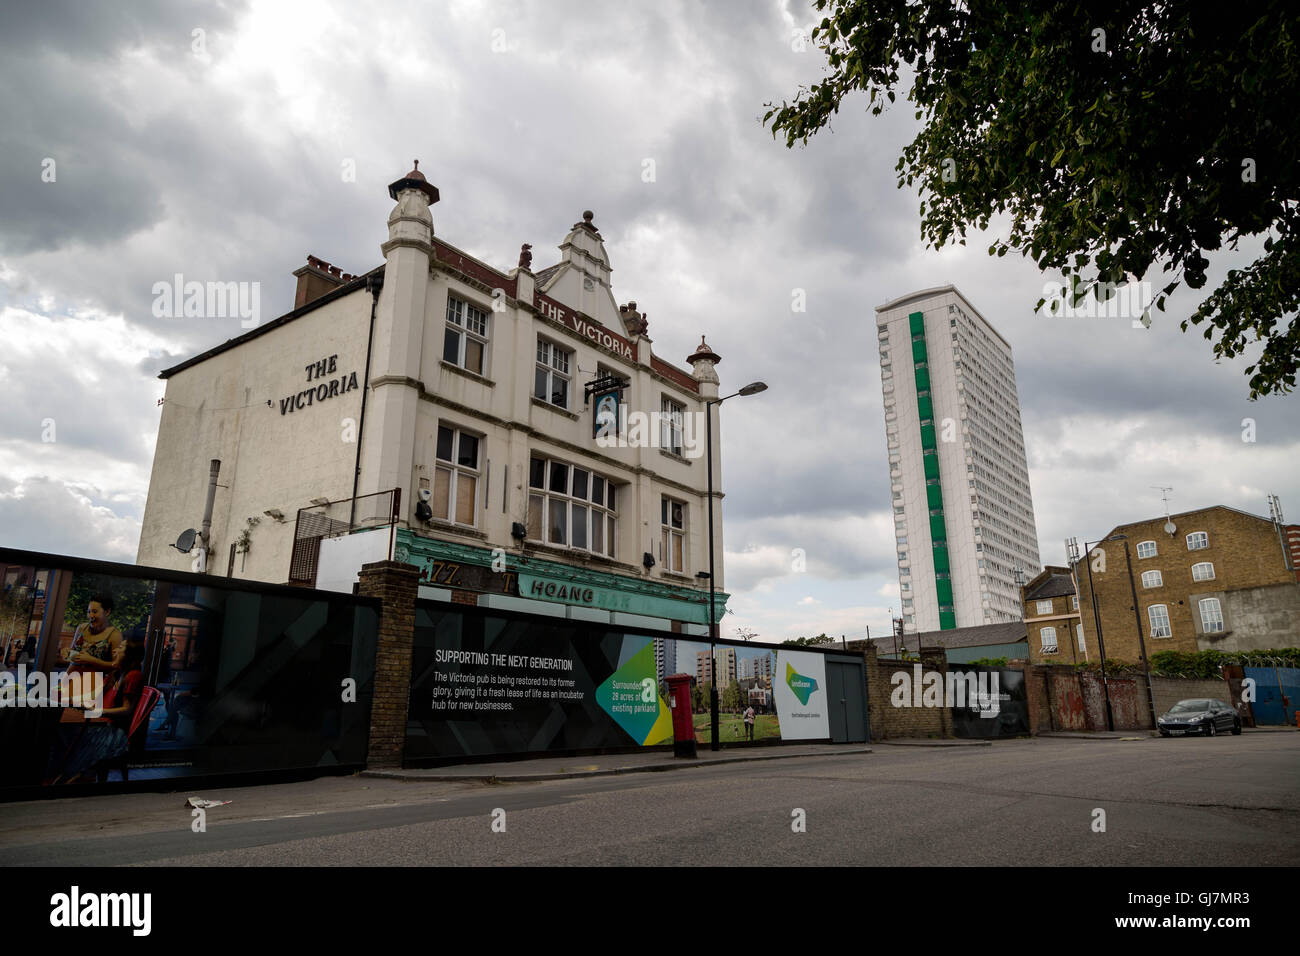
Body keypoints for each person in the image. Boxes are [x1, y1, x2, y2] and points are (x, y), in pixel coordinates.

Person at [49, 639, 146, 784]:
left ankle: (73, 774)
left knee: (62, 731)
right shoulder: (116, 674)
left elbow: (127, 710)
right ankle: (70, 773)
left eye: (120, 647)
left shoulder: (133, 676)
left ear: (130, 656)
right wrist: (72, 699)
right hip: (99, 724)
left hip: (113, 733)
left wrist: (98, 711)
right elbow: (95, 696)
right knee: (60, 729)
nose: (115, 650)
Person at [66, 593, 125, 678]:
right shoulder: (82, 628)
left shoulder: (114, 635)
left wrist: (91, 660)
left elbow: (115, 665)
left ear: (107, 612)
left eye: (94, 612)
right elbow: (71, 653)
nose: (90, 616)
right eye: (88, 611)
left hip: (93, 684)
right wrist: (67, 653)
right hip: (70, 678)